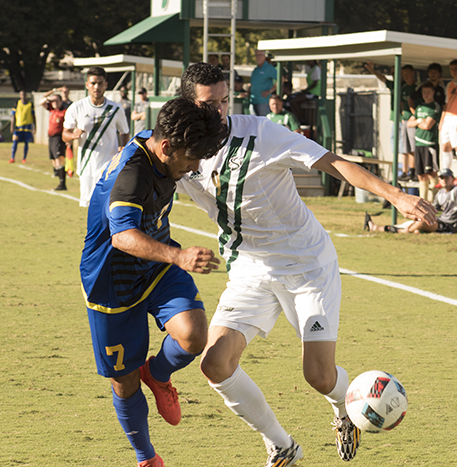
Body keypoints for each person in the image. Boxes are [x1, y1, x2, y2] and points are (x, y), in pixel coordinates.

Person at [176, 62, 436, 467]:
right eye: (211, 104)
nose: (221, 111)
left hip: (306, 266)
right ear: (189, 105)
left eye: (226, 101)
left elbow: (333, 163)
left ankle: (344, 404)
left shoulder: (261, 133)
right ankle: (282, 445)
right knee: (215, 363)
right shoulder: (180, 147)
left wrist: (397, 197)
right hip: (249, 269)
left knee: (318, 376)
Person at [80, 97, 228, 467]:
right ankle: (147, 457)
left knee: (194, 336)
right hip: (111, 280)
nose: (194, 166)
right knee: (123, 382)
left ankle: (157, 373)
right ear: (166, 148)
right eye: (191, 159)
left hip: (156, 263)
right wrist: (179, 256)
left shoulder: (161, 139)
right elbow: (122, 238)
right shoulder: (132, 175)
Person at [63, 66, 130, 207]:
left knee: (108, 205)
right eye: (93, 83)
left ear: (106, 85)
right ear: (87, 85)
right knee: (90, 206)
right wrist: (73, 135)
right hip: (87, 165)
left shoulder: (116, 109)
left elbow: (124, 131)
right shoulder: (76, 107)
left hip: (109, 165)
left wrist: (123, 148)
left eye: (100, 83)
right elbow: (64, 135)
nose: (96, 87)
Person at [366, 168, 457, 234]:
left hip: (449, 226)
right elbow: (433, 209)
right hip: (440, 221)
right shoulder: (440, 193)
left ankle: (404, 231)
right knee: (417, 219)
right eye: (441, 178)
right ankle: (377, 227)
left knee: (423, 221)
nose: (443, 180)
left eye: (446, 178)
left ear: (453, 178)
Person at [407, 81, 442, 201]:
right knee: (421, 175)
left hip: (430, 144)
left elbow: (428, 125)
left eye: (428, 92)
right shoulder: (420, 107)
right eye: (424, 92)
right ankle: (424, 201)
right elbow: (409, 123)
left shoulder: (435, 107)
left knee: (432, 173)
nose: (426, 95)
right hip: (419, 144)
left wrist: (419, 122)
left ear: (433, 92)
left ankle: (435, 201)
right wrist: (418, 121)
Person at [438, 59, 457, 173]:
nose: (454, 72)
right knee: (445, 145)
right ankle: (446, 171)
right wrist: (442, 120)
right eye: (451, 69)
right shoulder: (449, 84)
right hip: (448, 117)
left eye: (456, 69)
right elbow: (447, 103)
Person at [40, 94, 68, 191]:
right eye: (53, 101)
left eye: (56, 101)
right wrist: (49, 98)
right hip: (51, 138)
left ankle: (62, 183)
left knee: (59, 159)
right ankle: (58, 176)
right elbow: (41, 102)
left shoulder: (64, 112)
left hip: (58, 138)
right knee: (53, 159)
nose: (54, 103)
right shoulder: (52, 109)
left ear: (61, 101)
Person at [289, 60, 322, 125]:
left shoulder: (316, 69)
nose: (308, 62)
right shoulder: (311, 69)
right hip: (309, 91)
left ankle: (301, 119)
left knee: (294, 102)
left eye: (309, 61)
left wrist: (306, 90)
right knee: (293, 98)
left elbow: (315, 83)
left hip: (314, 93)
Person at [9, 90, 35, 163]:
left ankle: (24, 158)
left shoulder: (30, 104)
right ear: (20, 96)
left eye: (24, 94)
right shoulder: (17, 104)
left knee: (26, 142)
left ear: (26, 95)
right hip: (18, 126)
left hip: (27, 126)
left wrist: (34, 126)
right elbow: (13, 116)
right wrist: (12, 126)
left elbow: (33, 116)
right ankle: (12, 158)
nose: (23, 96)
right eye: (21, 95)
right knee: (15, 142)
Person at [249, 49, 278, 116]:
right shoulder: (255, 70)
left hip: (263, 102)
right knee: (253, 123)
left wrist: (270, 91)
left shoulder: (269, 68)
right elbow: (252, 84)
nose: (258, 57)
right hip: (253, 100)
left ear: (264, 56)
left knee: (263, 122)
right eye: (256, 55)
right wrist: (247, 92)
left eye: (260, 55)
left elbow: (281, 79)